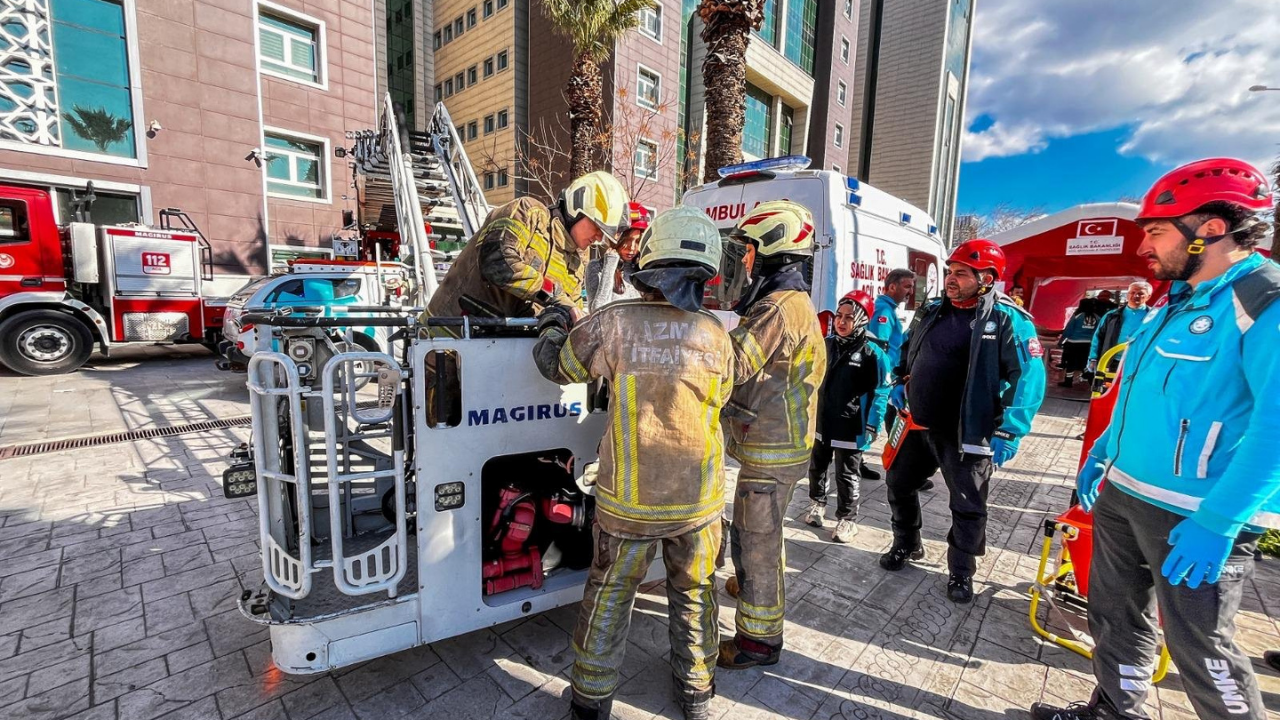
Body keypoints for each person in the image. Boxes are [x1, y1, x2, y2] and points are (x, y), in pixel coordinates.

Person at [1032, 158, 1280, 720]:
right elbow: (1143, 393)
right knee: (1116, 617)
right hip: (1125, 491)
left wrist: (1219, 522)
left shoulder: (1265, 302)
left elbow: (1276, 428)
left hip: (1195, 515)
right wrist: (1105, 453)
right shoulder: (1178, 301)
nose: (1144, 245)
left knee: (1203, 649)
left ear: (1210, 230)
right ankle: (1116, 711)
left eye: (1157, 231)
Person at [532, 206, 732, 720]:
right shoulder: (715, 334)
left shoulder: (614, 324)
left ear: (649, 263)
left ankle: (591, 700)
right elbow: (722, 396)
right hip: (699, 505)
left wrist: (554, 320)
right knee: (693, 596)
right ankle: (697, 694)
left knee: (609, 594)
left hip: (628, 506)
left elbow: (560, 365)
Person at [880, 238, 1046, 604]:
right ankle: (907, 543)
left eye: (960, 273)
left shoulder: (1006, 319)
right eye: (950, 272)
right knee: (898, 483)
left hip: (966, 432)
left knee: (967, 504)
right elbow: (909, 347)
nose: (950, 279)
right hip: (915, 423)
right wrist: (900, 379)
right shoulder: (933, 309)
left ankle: (960, 571)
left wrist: (1009, 430)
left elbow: (1029, 377)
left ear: (986, 278)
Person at [717, 200, 826, 669]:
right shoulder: (793, 302)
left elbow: (731, 363)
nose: (744, 261)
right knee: (758, 529)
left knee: (757, 540)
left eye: (750, 251)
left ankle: (757, 641)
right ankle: (748, 582)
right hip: (779, 444)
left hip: (772, 449)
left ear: (774, 252)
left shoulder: (778, 309)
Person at [426, 171, 629, 322]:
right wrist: (557, 297)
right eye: (597, 226)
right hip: (446, 340)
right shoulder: (528, 213)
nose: (599, 236)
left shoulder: (577, 259)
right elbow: (497, 262)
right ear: (577, 209)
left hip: (497, 353)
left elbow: (569, 308)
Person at [805, 290, 891, 542]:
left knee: (847, 473)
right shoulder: (827, 344)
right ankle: (817, 504)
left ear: (863, 320)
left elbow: (881, 391)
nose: (841, 322)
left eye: (849, 318)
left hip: (852, 425)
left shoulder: (873, 353)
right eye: (839, 316)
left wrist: (873, 424)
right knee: (817, 466)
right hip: (823, 421)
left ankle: (847, 519)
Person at [868, 268, 916, 437]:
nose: (910, 291)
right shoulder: (884, 312)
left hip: (891, 378)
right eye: (907, 286)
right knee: (891, 426)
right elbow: (880, 349)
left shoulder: (889, 309)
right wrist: (888, 379)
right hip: (887, 378)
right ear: (892, 287)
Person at [586, 202, 651, 311]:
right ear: (615, 238)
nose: (632, 247)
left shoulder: (642, 270)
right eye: (627, 240)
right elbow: (597, 312)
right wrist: (610, 266)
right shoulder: (597, 267)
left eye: (638, 241)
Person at [1085, 281, 1152, 376]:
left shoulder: (1155, 317)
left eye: (1140, 293)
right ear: (1127, 294)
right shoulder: (1111, 316)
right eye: (1132, 292)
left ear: (1148, 296)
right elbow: (1098, 337)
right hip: (1112, 362)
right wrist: (1093, 358)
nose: (1136, 296)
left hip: (1140, 363)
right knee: (1106, 389)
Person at [1057, 297, 1103, 388]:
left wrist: (1061, 341)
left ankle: (1068, 382)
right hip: (1089, 344)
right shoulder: (1098, 317)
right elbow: (1099, 332)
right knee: (1085, 363)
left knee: (1071, 363)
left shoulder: (1077, 316)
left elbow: (1068, 330)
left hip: (1073, 343)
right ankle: (1091, 381)